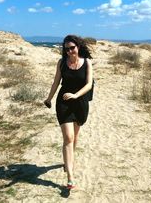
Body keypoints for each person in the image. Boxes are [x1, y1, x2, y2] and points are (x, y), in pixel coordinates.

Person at [44, 34, 93, 189]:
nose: (70, 51)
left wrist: (76, 95)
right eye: (67, 49)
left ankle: (69, 162)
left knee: (75, 137)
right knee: (68, 137)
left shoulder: (87, 63)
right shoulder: (61, 63)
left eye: (72, 48)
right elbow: (56, 82)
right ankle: (70, 176)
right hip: (64, 102)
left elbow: (89, 85)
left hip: (80, 102)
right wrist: (49, 98)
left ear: (78, 47)